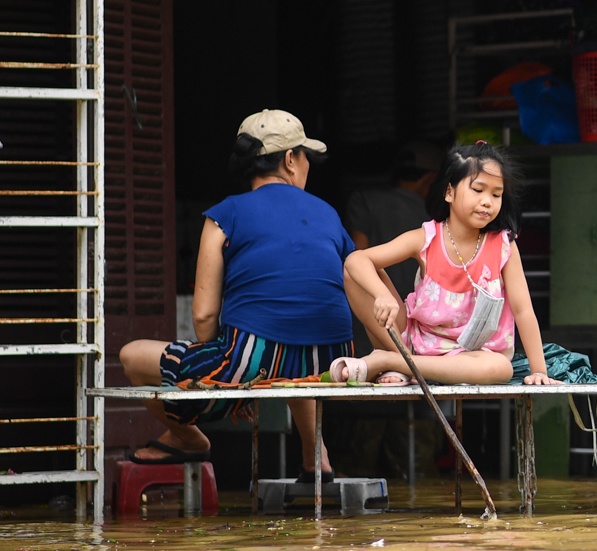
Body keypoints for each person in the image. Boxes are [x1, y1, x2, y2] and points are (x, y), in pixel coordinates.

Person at [118, 109, 355, 479]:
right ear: (290, 160)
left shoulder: (224, 214)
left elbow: (204, 316)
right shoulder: (327, 213)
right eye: (305, 155)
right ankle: (316, 457)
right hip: (332, 360)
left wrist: (229, 376)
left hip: (253, 356)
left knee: (130, 356)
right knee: (292, 358)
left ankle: (188, 438)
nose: (308, 165)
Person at [339, 142, 559, 387]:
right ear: (449, 192)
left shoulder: (504, 244)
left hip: (474, 355)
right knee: (355, 274)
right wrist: (381, 295)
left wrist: (539, 371)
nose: (488, 201)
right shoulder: (426, 237)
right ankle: (400, 358)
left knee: (500, 368)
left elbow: (523, 310)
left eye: (496, 194)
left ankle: (392, 362)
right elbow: (356, 260)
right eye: (478, 189)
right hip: (412, 343)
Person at [343, 140, 444, 300]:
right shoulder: (439, 214)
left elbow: (358, 253)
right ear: (432, 179)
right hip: (425, 310)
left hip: (380, 308)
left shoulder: (364, 200)